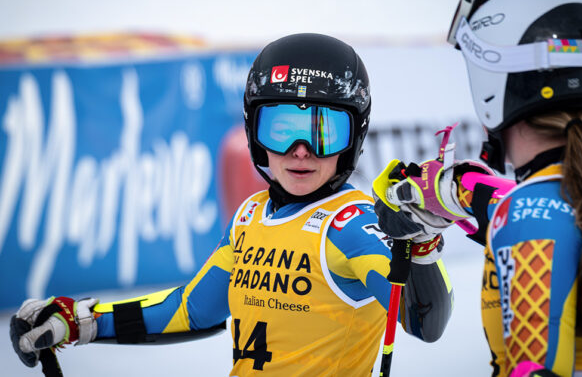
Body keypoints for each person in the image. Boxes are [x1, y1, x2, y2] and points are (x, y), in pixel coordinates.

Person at [10, 33, 454, 376]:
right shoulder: (250, 216)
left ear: (354, 138)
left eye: (324, 132)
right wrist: (83, 321)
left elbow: (424, 323)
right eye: (281, 129)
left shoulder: (352, 225)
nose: (301, 151)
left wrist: (419, 246)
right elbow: (191, 310)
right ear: (253, 133)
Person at [374, 0, 582, 377]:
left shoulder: (525, 217)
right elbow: (543, 213)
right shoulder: (572, 193)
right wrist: (454, 189)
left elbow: (533, 370)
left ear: (494, 87)